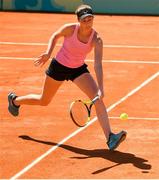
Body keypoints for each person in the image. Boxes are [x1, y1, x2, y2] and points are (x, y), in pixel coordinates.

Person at [8, 4, 126, 150]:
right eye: (84, 19)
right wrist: (48, 53)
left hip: (78, 69)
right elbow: (55, 36)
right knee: (44, 100)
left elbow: (98, 65)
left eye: (90, 18)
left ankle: (110, 138)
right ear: (79, 20)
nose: (88, 22)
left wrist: (101, 88)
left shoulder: (97, 39)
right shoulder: (70, 29)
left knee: (97, 98)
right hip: (59, 66)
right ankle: (15, 101)